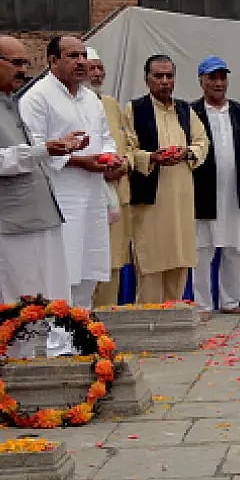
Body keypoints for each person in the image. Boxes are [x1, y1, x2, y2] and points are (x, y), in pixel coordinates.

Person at [0, 35, 84, 356]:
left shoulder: (12, 100)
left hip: (43, 215)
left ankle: (57, 358)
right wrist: (45, 148)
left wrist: (57, 146)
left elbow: (32, 154)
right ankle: (14, 376)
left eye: (25, 63)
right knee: (18, 306)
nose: (24, 70)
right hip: (11, 223)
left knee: (55, 296)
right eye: (17, 63)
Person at [20, 35, 121, 312]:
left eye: (83, 56)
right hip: (61, 196)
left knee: (90, 265)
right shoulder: (37, 98)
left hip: (93, 194)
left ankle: (81, 333)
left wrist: (111, 158)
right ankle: (59, 344)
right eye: (72, 56)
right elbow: (33, 148)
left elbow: (105, 137)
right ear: (52, 60)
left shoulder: (90, 98)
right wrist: (78, 161)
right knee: (65, 268)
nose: (81, 62)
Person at [122, 55, 210, 304]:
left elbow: (202, 141)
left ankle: (174, 321)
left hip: (181, 197)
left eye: (168, 76)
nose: (164, 81)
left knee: (179, 260)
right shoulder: (135, 109)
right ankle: (148, 324)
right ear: (147, 79)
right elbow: (128, 149)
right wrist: (152, 158)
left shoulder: (185, 109)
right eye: (158, 76)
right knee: (151, 262)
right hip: (150, 200)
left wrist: (187, 153)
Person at [191, 56, 240, 320]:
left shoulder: (237, 110)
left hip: (234, 188)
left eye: (222, 77)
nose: (218, 83)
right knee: (202, 248)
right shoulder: (191, 111)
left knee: (233, 246)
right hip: (204, 188)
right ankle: (203, 305)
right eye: (212, 78)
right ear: (202, 81)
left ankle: (230, 300)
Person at [85, 47, 134, 308]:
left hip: (115, 193)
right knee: (88, 261)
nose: (96, 73)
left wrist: (124, 163)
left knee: (114, 260)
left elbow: (125, 143)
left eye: (99, 68)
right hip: (87, 192)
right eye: (91, 68)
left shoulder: (110, 104)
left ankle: (107, 319)